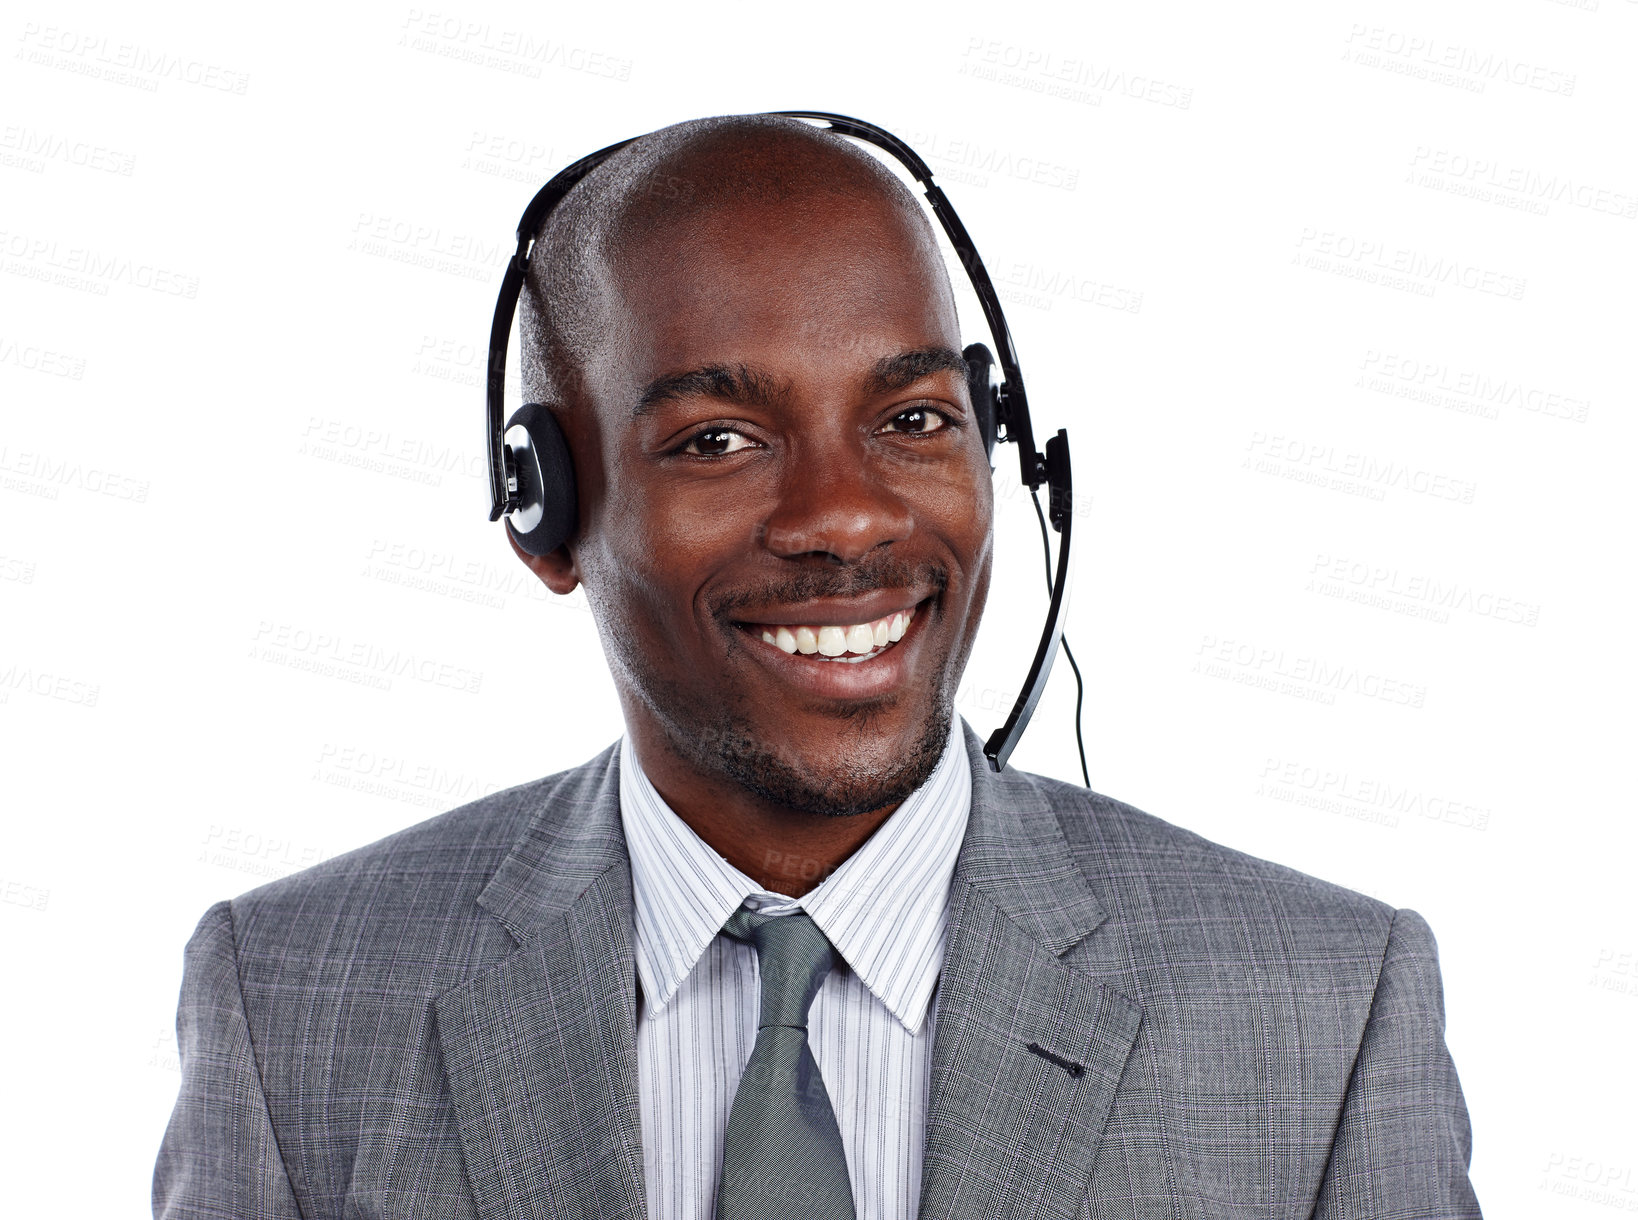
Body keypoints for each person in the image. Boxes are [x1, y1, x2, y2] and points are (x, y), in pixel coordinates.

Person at [154, 114, 1482, 1220]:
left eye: (912, 420)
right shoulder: (290, 1001)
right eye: (718, 441)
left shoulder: (1322, 1010)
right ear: (545, 511)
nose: (846, 517)